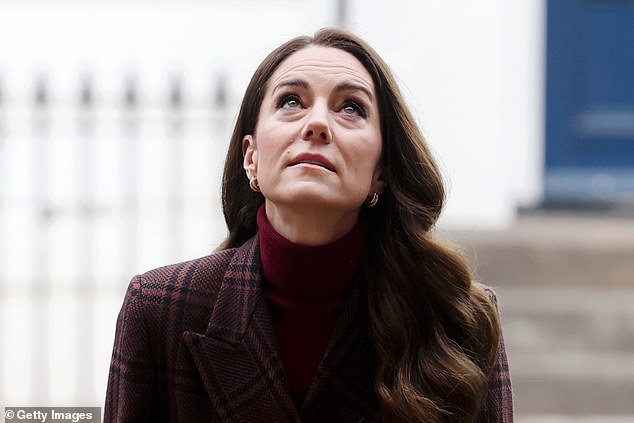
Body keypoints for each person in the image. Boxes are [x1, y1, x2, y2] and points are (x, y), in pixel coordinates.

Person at [104, 28, 513, 422]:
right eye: (291, 101)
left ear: (381, 172)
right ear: (252, 157)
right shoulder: (160, 312)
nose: (316, 125)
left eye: (351, 107)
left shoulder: (456, 320)